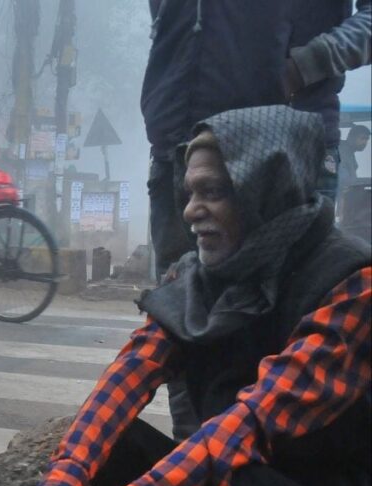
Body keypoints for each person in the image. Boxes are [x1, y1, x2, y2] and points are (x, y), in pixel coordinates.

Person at [2, 106, 370, 486]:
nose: (192, 210)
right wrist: (63, 480)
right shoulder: (194, 277)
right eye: (191, 192)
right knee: (116, 442)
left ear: (267, 188)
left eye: (215, 192)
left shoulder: (350, 282)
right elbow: (127, 377)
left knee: (237, 473)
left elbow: (253, 422)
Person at [142, 0, 371, 278]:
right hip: (177, 150)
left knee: (287, 309)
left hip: (285, 153)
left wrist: (304, 66)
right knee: (176, 310)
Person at [338, 124, 370, 193]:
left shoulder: (349, 152)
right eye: (362, 138)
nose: (365, 142)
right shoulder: (342, 150)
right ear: (351, 137)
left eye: (367, 139)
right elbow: (344, 179)